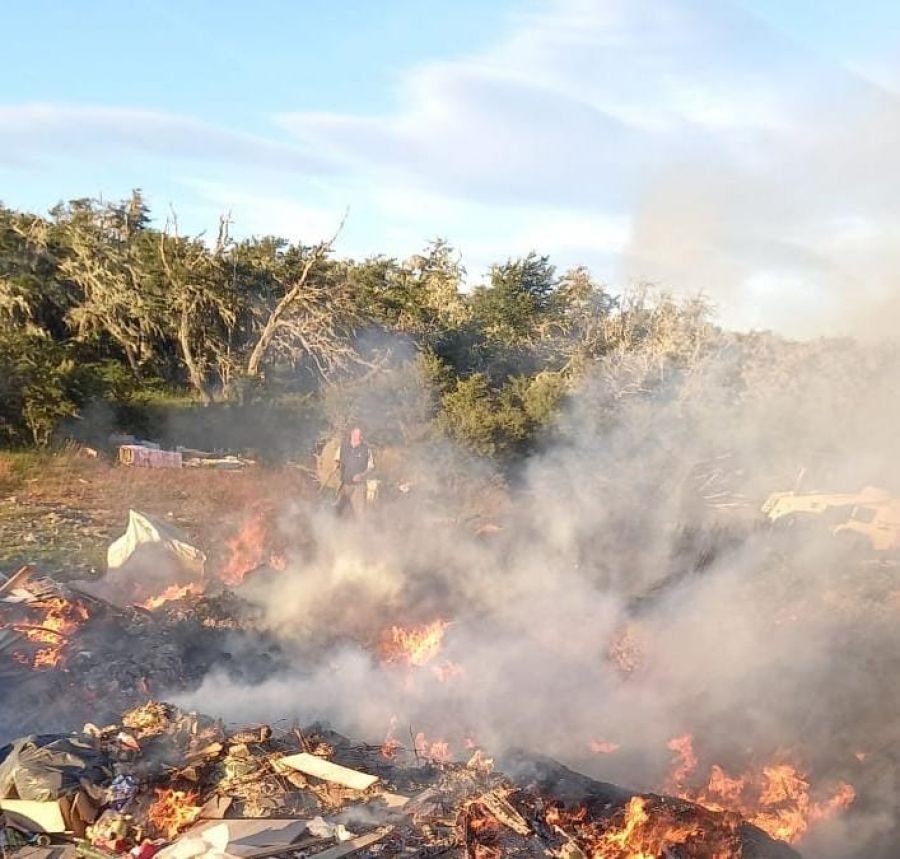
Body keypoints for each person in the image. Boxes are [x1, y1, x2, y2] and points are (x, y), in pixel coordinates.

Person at [333, 426, 374, 516]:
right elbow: (336, 460)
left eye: (358, 435)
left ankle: (358, 529)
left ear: (361, 437)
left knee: (359, 512)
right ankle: (337, 528)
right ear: (351, 435)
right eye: (354, 434)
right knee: (339, 510)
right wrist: (336, 468)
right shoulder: (343, 447)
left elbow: (370, 467)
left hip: (358, 487)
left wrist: (362, 475)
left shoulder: (366, 450)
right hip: (344, 484)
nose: (356, 437)